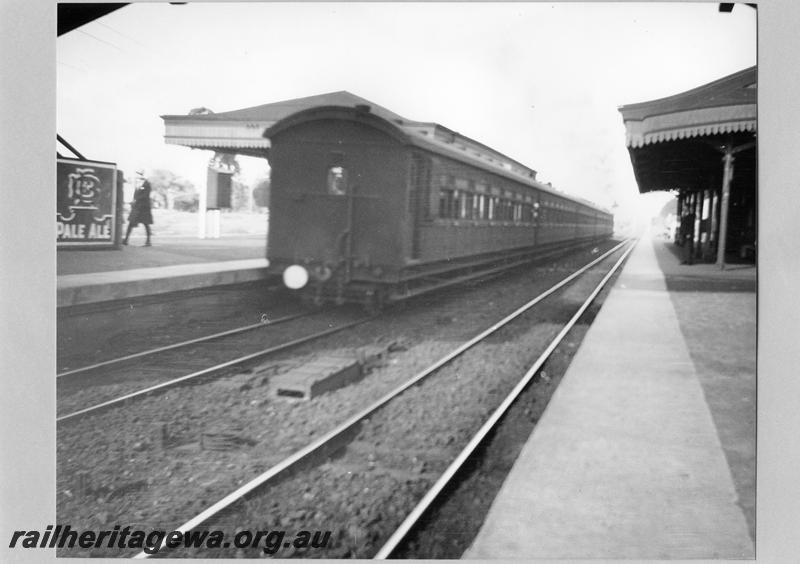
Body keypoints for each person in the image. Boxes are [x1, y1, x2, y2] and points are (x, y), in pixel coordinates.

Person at [123, 169, 153, 246]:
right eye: (138, 174)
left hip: (144, 207)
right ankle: (126, 240)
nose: (138, 175)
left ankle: (148, 241)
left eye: (140, 174)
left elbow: (145, 195)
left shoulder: (147, 184)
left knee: (146, 224)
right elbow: (135, 195)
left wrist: (136, 200)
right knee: (131, 222)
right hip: (137, 207)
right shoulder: (137, 184)